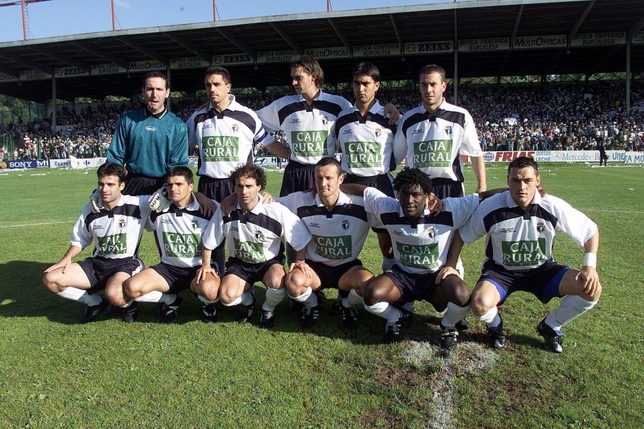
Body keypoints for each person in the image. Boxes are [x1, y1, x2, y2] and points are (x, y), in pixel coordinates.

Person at [459, 156, 601, 353]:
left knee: (591, 289)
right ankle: (495, 325)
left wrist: (589, 265)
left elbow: (590, 231)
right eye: (515, 181)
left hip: (542, 270)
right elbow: (463, 235)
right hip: (502, 272)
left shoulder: (551, 206)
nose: (522, 187)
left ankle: (551, 326)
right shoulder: (492, 207)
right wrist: (450, 264)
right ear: (507, 181)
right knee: (479, 304)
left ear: (537, 181)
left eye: (527, 180)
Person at [350, 168, 497, 349]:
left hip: (435, 277)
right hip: (402, 276)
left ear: (427, 196)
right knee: (371, 294)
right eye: (404, 194)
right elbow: (363, 191)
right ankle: (396, 317)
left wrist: (519, 192)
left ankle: (448, 325)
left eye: (416, 195)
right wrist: (333, 187)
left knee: (462, 295)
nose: (409, 200)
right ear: (398, 193)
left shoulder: (448, 209)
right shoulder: (388, 207)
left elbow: (482, 197)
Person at [185, 66, 274, 273]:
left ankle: (244, 280)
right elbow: (180, 145)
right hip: (208, 184)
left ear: (228, 86)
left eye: (217, 84)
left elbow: (269, 144)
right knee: (210, 237)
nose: (212, 89)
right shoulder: (197, 118)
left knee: (244, 234)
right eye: (208, 85)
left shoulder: (247, 116)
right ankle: (214, 280)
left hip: (238, 186)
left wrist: (294, 157)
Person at [201, 164, 311, 328]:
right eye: (239, 186)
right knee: (226, 296)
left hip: (268, 263)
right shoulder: (226, 210)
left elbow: (301, 237)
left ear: (259, 186)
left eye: (249, 186)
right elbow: (209, 240)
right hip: (239, 264)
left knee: (277, 281)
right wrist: (206, 265)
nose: (244, 191)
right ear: (234, 187)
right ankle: (249, 300)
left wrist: (300, 260)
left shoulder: (275, 210)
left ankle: (268, 308)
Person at [42, 163, 149, 323]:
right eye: (101, 184)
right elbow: (80, 239)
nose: (104, 189)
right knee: (50, 278)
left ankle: (129, 306)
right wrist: (67, 257)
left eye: (110, 184)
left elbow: (167, 195)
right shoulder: (92, 208)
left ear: (122, 185)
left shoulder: (138, 204)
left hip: (126, 264)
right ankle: (95, 302)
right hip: (98, 263)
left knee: (114, 295)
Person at [279, 157, 377, 328]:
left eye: (329, 178)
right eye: (319, 178)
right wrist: (234, 198)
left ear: (341, 179)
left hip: (347, 268)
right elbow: (266, 203)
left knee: (369, 286)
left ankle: (346, 304)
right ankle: (312, 304)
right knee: (292, 283)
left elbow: (393, 209)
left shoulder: (361, 205)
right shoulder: (300, 200)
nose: (323, 183)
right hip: (314, 268)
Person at [123, 167, 219, 323]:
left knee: (211, 291)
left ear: (190, 186)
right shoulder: (158, 208)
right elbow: (125, 201)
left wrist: (265, 198)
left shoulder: (208, 207)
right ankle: (171, 299)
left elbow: (233, 206)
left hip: (198, 269)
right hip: (168, 268)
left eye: (179, 184)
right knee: (131, 288)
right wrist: (96, 194)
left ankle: (209, 307)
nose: (173, 188)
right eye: (170, 184)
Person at [328, 61, 398, 274]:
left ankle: (392, 279)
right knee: (343, 237)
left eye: (366, 83)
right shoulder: (342, 119)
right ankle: (342, 285)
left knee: (386, 243)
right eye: (357, 83)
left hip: (380, 182)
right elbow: (330, 151)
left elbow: (400, 153)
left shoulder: (390, 118)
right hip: (350, 183)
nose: (360, 89)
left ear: (376, 85)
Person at [393, 64, 486, 199]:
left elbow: (475, 154)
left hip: (450, 188)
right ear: (419, 86)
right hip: (417, 189)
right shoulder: (408, 119)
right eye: (424, 84)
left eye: (433, 84)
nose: (428, 89)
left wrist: (482, 186)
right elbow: (396, 157)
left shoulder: (460, 116)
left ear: (443, 86)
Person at [106, 71, 188, 196]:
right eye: (150, 89)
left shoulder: (178, 126)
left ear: (167, 92)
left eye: (159, 89)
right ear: (143, 91)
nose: (154, 95)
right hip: (133, 184)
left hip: (163, 185)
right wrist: (107, 184)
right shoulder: (128, 121)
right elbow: (115, 158)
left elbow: (178, 166)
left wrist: (167, 191)